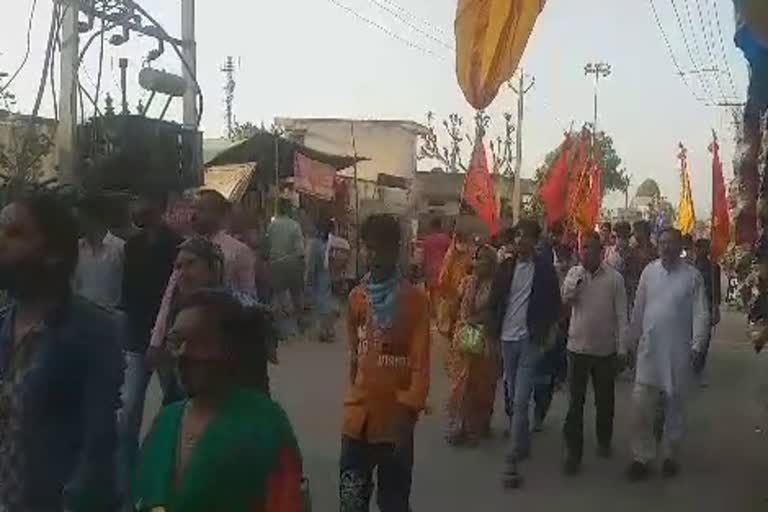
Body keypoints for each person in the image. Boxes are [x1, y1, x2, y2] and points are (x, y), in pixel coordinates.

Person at [0, 191, 123, 510]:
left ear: (53, 253)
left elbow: (98, 442)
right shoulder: (4, 325)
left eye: (14, 233)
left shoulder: (92, 332)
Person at [132, 289, 303, 512]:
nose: (182, 354)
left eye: (197, 341)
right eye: (176, 341)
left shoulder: (265, 425)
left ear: (229, 349)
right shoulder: (165, 421)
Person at [340, 214, 430, 512]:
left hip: (395, 423)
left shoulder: (415, 301)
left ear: (397, 250)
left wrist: (409, 413)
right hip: (357, 422)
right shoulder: (357, 298)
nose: (375, 256)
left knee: (394, 503)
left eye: (383, 249)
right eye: (369, 248)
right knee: (352, 501)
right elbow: (355, 355)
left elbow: (420, 364)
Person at [623, 228, 710, 481]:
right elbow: (638, 310)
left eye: (671, 243)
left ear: (680, 246)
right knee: (640, 405)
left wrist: (697, 346)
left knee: (675, 406)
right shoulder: (649, 272)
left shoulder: (692, 277)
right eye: (662, 243)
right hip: (649, 350)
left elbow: (701, 313)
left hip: (678, 352)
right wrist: (629, 342)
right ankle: (642, 456)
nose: (666, 248)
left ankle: (671, 453)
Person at [487, 220, 561, 488]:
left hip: (530, 339)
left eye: (526, 236)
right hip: (506, 339)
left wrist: (550, 332)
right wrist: (491, 334)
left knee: (520, 398)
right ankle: (523, 439)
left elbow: (555, 303)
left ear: (535, 240)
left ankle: (513, 453)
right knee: (510, 390)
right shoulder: (506, 267)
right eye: (518, 236)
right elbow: (495, 302)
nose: (520, 241)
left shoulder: (545, 271)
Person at [119, 192, 182, 504]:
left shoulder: (176, 245)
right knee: (128, 409)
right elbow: (127, 294)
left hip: (169, 338)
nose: (137, 210)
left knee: (173, 408)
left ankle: (166, 476)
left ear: (157, 207)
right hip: (135, 336)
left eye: (142, 203)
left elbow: (175, 295)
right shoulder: (132, 246)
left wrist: (166, 336)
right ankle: (127, 482)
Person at [149, 190, 256, 364]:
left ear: (220, 215)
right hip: (186, 338)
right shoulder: (186, 249)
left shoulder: (238, 251)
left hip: (224, 340)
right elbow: (170, 296)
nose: (195, 214)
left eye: (202, 209)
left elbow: (249, 297)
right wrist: (156, 341)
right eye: (194, 208)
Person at [561, 232, 628, 474]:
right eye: (583, 248)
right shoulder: (574, 274)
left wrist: (622, 349)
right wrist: (573, 285)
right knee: (574, 405)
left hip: (604, 352)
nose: (586, 252)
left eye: (591, 248)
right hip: (577, 349)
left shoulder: (615, 279)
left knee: (604, 401)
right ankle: (573, 453)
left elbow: (622, 315)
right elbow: (565, 301)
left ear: (601, 251)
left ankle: (604, 439)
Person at [149, 237, 225, 404]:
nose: (182, 273)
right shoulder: (177, 308)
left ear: (213, 268)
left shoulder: (232, 312)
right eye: (178, 267)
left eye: (191, 264)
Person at [445, 245, 499, 446]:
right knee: (461, 385)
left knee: (482, 386)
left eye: (484, 259)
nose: (478, 262)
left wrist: (477, 320)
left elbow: (495, 312)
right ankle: (460, 426)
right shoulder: (468, 282)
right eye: (477, 258)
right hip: (464, 339)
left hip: (485, 341)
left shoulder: (496, 286)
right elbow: (456, 306)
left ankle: (478, 425)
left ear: (492, 264)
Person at [73, 194, 125, 308]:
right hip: (82, 315)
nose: (78, 221)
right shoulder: (76, 248)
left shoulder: (120, 248)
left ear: (93, 217)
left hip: (111, 316)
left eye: (81, 217)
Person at [267, 198, 306, 334]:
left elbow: (267, 245)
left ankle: (277, 327)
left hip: (275, 264)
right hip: (292, 263)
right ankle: (300, 323)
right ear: (289, 209)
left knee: (277, 295)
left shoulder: (272, 225)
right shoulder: (295, 226)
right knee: (296, 294)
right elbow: (300, 251)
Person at [692, 238, 722, 383]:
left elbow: (716, 290)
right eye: (698, 248)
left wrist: (716, 308)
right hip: (691, 305)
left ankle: (699, 368)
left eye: (704, 248)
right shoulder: (689, 266)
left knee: (705, 337)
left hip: (708, 304)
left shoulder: (713, 267)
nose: (701, 251)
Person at [306, 216, 337, 342]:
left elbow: (311, 264)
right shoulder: (331, 242)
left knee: (320, 302)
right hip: (328, 274)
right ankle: (327, 329)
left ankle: (323, 331)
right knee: (326, 300)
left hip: (318, 275)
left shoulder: (314, 243)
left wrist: (308, 278)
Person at [421, 217, 452, 311]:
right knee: (442, 297)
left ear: (432, 227)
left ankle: (433, 316)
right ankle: (439, 316)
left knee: (432, 296)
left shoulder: (427, 240)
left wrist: (423, 271)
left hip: (430, 271)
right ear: (440, 226)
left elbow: (424, 257)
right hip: (443, 271)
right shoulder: (446, 239)